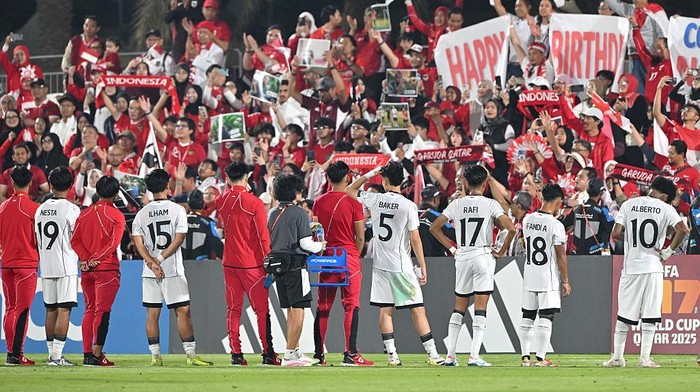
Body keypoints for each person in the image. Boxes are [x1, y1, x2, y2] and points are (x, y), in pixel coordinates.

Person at [346, 161, 445, 366]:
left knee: (385, 310)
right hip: (401, 265)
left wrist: (372, 172)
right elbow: (415, 238)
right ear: (402, 181)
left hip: (380, 265)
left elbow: (349, 190)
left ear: (384, 180)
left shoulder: (375, 199)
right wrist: (423, 265)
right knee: (417, 309)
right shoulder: (408, 205)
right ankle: (433, 355)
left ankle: (392, 356)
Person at [430, 165, 516, 367]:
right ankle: (474, 356)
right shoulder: (491, 204)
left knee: (458, 308)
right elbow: (511, 228)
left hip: (463, 256)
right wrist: (501, 251)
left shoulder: (457, 205)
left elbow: (435, 227)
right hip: (483, 255)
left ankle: (450, 356)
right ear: (485, 184)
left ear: (465, 184)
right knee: (480, 308)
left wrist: (452, 249)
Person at [605, 176, 689, 368]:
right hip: (652, 267)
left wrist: (633, 239)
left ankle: (618, 358)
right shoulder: (666, 208)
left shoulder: (628, 204)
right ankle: (644, 358)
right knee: (650, 314)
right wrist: (668, 251)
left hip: (631, 267)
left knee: (624, 313)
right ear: (666, 196)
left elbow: (616, 233)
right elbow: (683, 229)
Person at [132, 169, 212, 367]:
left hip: (149, 270)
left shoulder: (141, 214)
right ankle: (191, 356)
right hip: (172, 269)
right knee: (183, 311)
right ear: (168, 185)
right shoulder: (177, 210)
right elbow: (179, 237)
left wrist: (151, 262)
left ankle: (155, 357)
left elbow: (138, 243)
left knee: (152, 313)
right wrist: (160, 259)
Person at [216, 162, 282, 366]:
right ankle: (268, 353)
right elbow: (263, 236)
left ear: (227, 179)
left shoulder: (221, 201)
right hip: (252, 265)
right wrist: (269, 260)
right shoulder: (254, 203)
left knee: (233, 309)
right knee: (261, 310)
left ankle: (236, 354)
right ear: (247, 177)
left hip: (230, 264)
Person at [311, 161, 372, 366]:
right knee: (351, 306)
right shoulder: (354, 203)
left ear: (328, 178)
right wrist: (353, 252)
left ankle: (319, 356)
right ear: (348, 177)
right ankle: (350, 354)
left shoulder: (318, 202)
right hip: (349, 259)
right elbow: (361, 237)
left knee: (324, 306)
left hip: (327, 258)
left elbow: (316, 233)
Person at [267, 173, 325, 366]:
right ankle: (290, 354)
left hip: (277, 265)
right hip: (295, 264)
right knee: (299, 308)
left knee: (290, 310)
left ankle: (295, 350)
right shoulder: (299, 213)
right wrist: (321, 246)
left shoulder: (273, 213)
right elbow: (305, 243)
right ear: (295, 192)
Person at [70, 176, 125, 367]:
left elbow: (74, 241)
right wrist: (96, 259)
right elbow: (113, 243)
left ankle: (87, 354)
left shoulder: (83, 214)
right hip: (106, 269)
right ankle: (96, 355)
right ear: (116, 194)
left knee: (89, 310)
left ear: (98, 191)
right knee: (103, 312)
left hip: (87, 271)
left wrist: (86, 259)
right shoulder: (117, 215)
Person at [519, 183, 571, 367]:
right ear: (558, 202)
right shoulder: (556, 225)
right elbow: (560, 255)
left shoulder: (527, 220)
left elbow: (525, 244)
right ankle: (540, 358)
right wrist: (565, 280)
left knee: (528, 316)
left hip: (529, 274)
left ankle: (525, 357)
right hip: (546, 277)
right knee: (546, 316)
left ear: (542, 199)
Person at [35, 167, 81, 366]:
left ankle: (51, 355)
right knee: (64, 309)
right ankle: (56, 357)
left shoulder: (40, 209)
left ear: (51, 185)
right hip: (66, 265)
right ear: (71, 186)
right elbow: (77, 238)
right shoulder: (71, 209)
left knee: (50, 310)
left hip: (46, 265)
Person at [0, 166, 39, 365]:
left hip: (6, 265)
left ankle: (9, 352)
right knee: (23, 310)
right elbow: (38, 239)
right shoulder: (34, 209)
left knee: (9, 308)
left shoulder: (2, 208)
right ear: (31, 184)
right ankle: (17, 354)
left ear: (12, 183)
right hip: (26, 265)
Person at [561, 178, 615, 255]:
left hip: (577, 254)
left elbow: (563, 225)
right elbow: (614, 228)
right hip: (597, 256)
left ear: (587, 190)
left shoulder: (576, 209)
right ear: (602, 193)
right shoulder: (602, 211)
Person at [182, 189, 223, 260]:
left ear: (188, 205)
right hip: (202, 266)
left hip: (181, 265)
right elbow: (217, 244)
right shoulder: (208, 223)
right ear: (203, 204)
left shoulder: (179, 221)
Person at [417, 184, 455, 257]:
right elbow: (453, 234)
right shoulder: (437, 216)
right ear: (436, 200)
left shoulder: (412, 214)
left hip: (413, 259)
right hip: (436, 261)